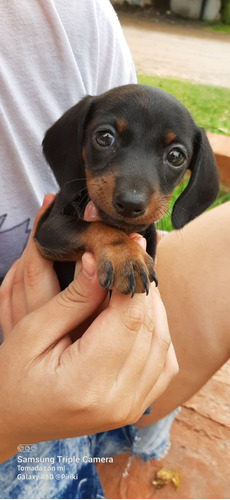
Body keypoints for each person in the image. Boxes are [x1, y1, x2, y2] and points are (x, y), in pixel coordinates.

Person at [0, 1, 229, 499]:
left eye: (171, 156)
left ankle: (131, 432)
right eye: (108, 138)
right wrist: (103, 240)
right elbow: (50, 238)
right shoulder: (72, 209)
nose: (132, 191)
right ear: (77, 144)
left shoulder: (79, 14)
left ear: (190, 174)